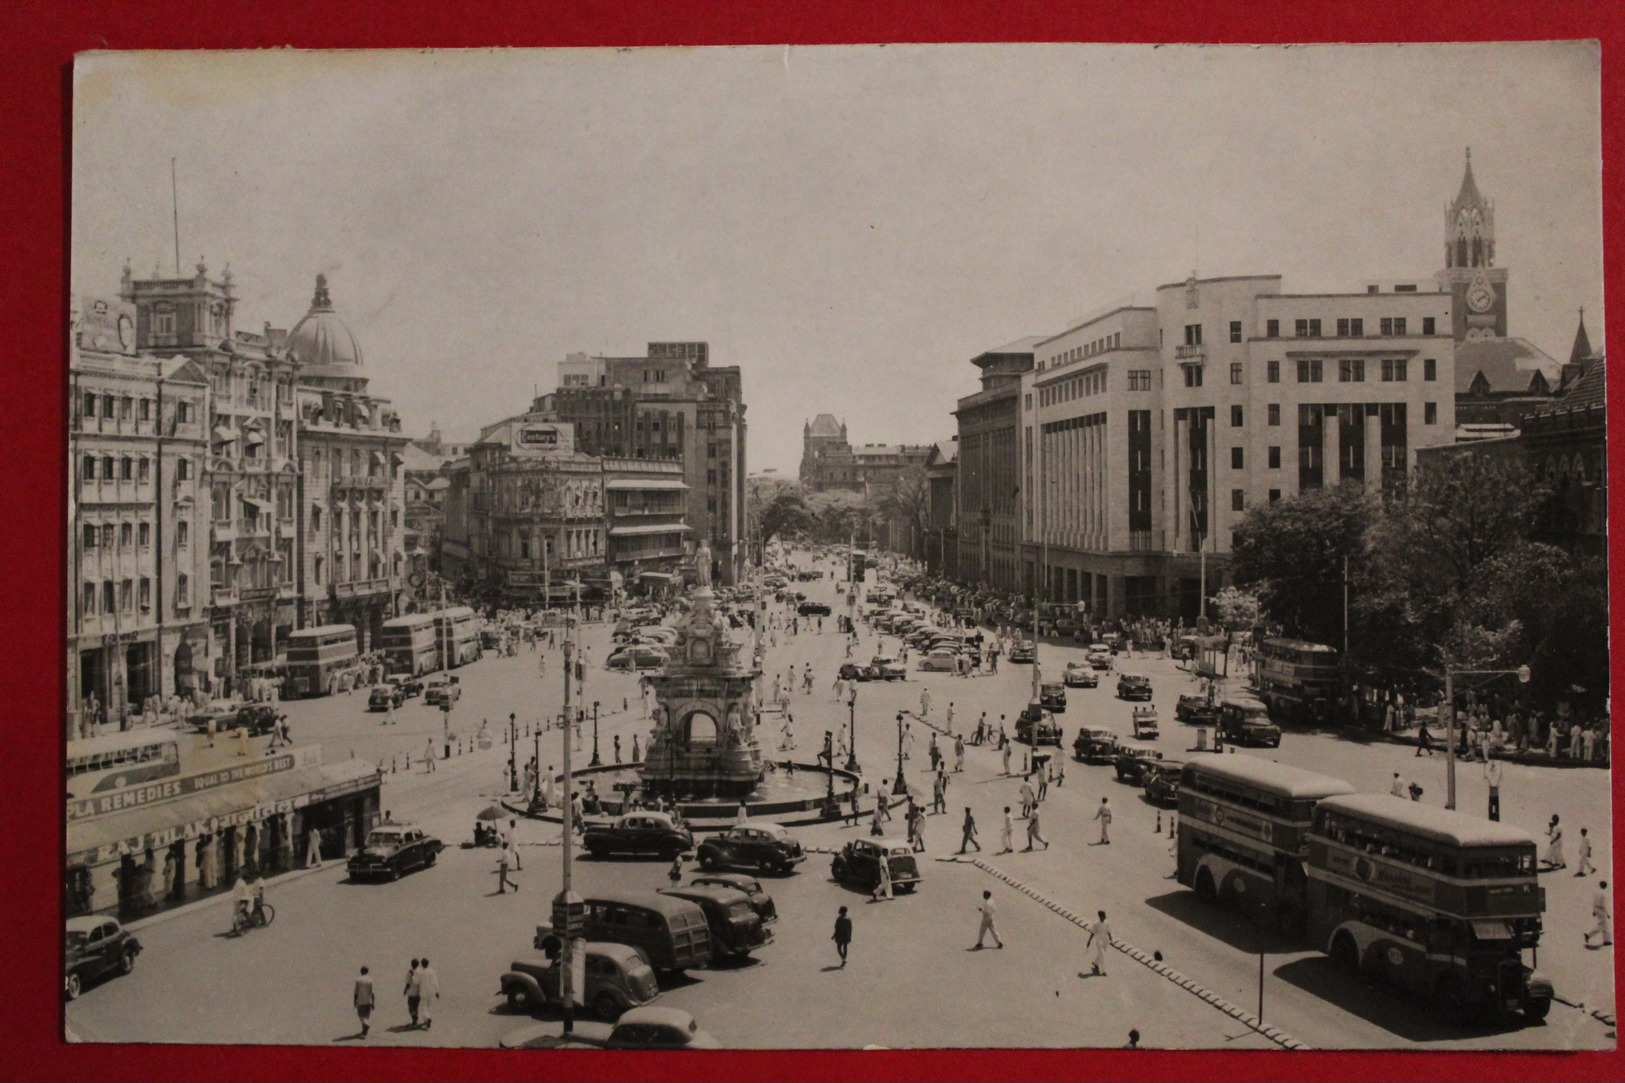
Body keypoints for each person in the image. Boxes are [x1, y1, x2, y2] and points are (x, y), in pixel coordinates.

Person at [1083, 911, 1113, 975]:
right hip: (1099, 940)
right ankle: (1103, 971)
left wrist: (1111, 938)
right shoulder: (1096, 924)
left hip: (1105, 940)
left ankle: (1096, 963)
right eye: (1104, 915)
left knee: (1102, 953)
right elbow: (1093, 933)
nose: (1105, 916)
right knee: (1102, 955)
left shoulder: (1107, 923)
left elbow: (1109, 931)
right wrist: (1089, 941)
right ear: (1101, 916)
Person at [1584, 881, 1613, 947]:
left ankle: (1607, 940)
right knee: (1602, 925)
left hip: (1597, 908)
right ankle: (1589, 935)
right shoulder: (1604, 894)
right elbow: (1604, 904)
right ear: (1605, 886)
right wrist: (1607, 913)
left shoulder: (1596, 892)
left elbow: (1594, 902)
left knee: (1605, 925)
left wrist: (1594, 910)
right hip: (1602, 910)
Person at [416, 959, 439, 1030]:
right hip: (431, 991)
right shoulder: (432, 972)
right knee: (427, 1006)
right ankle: (425, 1020)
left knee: (423, 1007)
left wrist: (413, 976)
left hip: (423, 992)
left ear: (422, 964)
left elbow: (416, 982)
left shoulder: (420, 972)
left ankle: (428, 1018)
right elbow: (435, 982)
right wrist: (437, 991)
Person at [354, 966, 376, 1037]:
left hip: (360, 1001)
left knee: (361, 1015)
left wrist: (355, 1001)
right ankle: (364, 1032)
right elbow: (372, 992)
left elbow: (356, 992)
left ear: (361, 971)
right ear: (367, 971)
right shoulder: (370, 980)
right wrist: (373, 1003)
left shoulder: (358, 980)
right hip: (368, 1001)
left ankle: (366, 1026)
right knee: (366, 1016)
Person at [404, 959, 421, 1027]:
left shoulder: (410, 972)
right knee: (416, 1006)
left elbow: (408, 983)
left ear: (411, 964)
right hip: (418, 992)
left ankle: (414, 1018)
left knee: (411, 1007)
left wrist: (405, 990)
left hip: (411, 992)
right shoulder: (420, 972)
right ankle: (415, 1020)